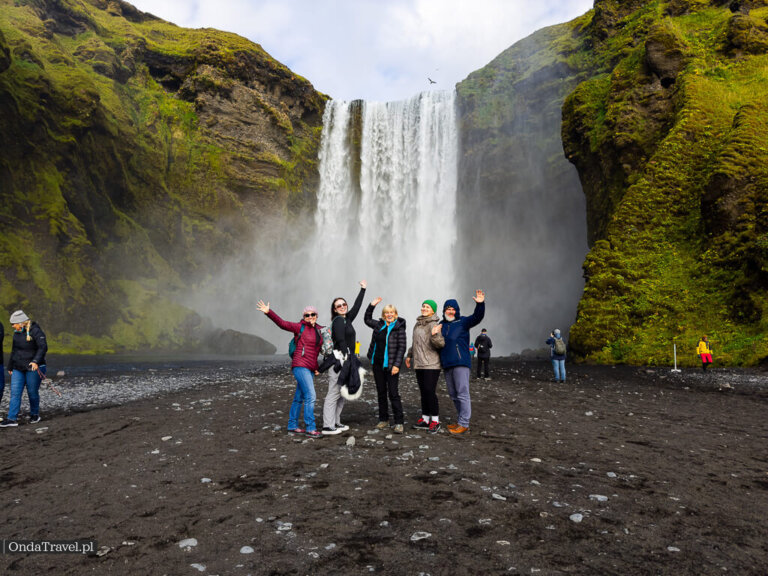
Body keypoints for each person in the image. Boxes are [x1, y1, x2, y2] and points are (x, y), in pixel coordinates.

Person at [257, 300, 324, 438]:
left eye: (312, 314)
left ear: (316, 316)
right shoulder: (299, 327)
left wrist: (316, 368)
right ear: (303, 317)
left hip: (309, 367)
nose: (310, 317)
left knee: (299, 397)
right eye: (307, 315)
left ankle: (292, 425)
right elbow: (282, 323)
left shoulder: (319, 331)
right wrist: (269, 312)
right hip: (300, 365)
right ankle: (310, 428)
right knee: (311, 396)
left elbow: (315, 352)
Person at [321, 280, 367, 435]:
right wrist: (347, 356)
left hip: (347, 358)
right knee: (334, 392)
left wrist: (363, 290)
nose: (342, 307)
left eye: (343, 304)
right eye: (338, 306)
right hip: (340, 360)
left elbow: (356, 308)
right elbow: (340, 339)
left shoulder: (347, 319)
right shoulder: (339, 321)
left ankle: (336, 422)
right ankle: (328, 425)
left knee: (342, 392)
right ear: (334, 309)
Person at [439, 290, 485, 436]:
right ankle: (461, 420)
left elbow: (477, 317)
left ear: (457, 311)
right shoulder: (441, 325)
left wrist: (480, 304)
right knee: (453, 394)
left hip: (460, 363)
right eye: (448, 309)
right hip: (447, 364)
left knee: (462, 393)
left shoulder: (463, 321)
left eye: (453, 309)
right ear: (444, 310)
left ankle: (464, 424)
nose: (451, 311)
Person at [364, 298, 407, 433]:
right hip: (377, 364)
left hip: (391, 366)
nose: (389, 314)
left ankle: (399, 422)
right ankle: (384, 420)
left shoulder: (399, 328)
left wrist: (397, 365)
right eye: (387, 312)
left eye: (392, 312)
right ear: (384, 315)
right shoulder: (379, 325)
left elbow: (402, 348)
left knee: (393, 393)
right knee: (381, 392)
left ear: (395, 314)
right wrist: (372, 305)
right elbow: (367, 319)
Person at [0, 310, 47, 427]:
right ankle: (11, 419)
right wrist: (10, 366)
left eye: (14, 324)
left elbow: (43, 347)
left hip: (33, 367)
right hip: (18, 367)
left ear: (21, 322)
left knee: (32, 392)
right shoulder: (17, 333)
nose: (12, 326)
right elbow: (14, 351)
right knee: (15, 393)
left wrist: (36, 361)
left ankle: (35, 415)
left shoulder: (35, 330)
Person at [405, 300, 445, 433]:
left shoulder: (434, 324)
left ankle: (435, 421)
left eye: (428, 307)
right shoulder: (418, 324)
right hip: (419, 363)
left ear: (433, 310)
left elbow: (440, 344)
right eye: (423, 306)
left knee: (429, 391)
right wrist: (409, 355)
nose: (424, 308)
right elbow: (415, 342)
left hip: (431, 364)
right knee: (423, 392)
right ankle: (425, 419)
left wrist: (434, 334)